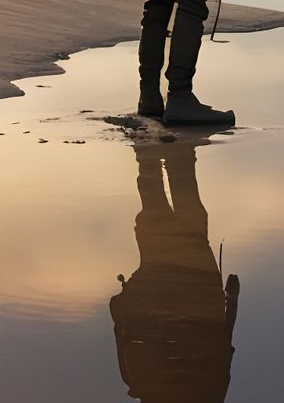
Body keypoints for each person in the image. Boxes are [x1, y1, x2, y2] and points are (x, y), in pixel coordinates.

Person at [110, 138, 238, 402]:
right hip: (164, 286)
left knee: (186, 207)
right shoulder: (140, 385)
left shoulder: (209, 394)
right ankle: (152, 140)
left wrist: (232, 300)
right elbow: (119, 320)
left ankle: (164, 137)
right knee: (156, 200)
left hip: (195, 285)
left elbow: (224, 348)